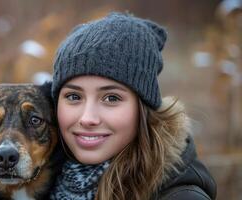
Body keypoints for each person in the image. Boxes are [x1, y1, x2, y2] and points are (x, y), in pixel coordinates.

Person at [49, 12, 217, 200]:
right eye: (73, 96)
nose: (88, 118)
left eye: (111, 98)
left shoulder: (182, 197)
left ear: (142, 108)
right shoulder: (39, 182)